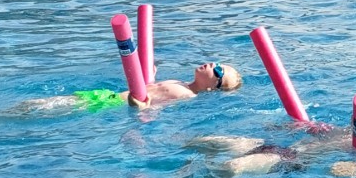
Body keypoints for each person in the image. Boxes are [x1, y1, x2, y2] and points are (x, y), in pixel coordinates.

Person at [187, 92, 356, 177]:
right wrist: (293, 127)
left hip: (289, 161)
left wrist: (350, 170)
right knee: (207, 141)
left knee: (232, 166)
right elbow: (313, 129)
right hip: (277, 147)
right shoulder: (341, 130)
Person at [19, 61, 244, 112]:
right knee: (40, 104)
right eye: (217, 63)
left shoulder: (187, 96)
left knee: (46, 106)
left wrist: (142, 108)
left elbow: (156, 107)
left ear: (212, 89)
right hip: (107, 95)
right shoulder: (180, 83)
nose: (213, 65)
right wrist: (150, 78)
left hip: (110, 104)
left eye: (218, 71)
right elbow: (151, 89)